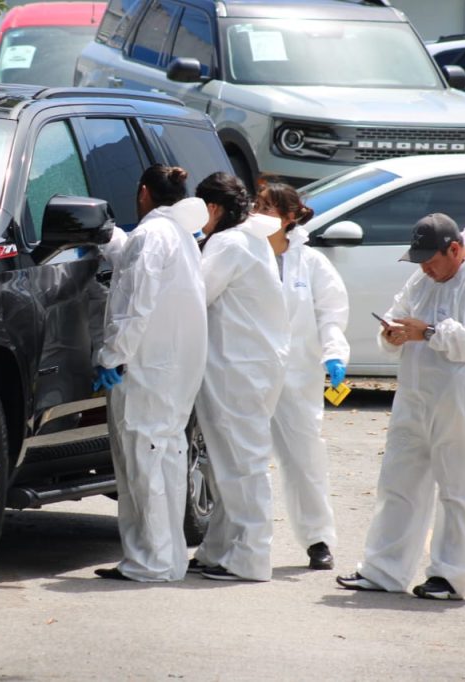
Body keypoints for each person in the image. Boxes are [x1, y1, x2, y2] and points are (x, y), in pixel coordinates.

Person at [337, 213, 465, 600]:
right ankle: (384, 569)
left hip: (459, 402)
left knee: (460, 486)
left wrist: (428, 332)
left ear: (456, 249)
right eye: (421, 262)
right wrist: (392, 334)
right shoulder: (421, 278)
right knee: (399, 482)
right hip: (415, 395)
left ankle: (450, 576)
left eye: (432, 261)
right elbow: (398, 314)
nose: (426, 269)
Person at [93, 164, 209, 582]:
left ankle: (150, 561)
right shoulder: (177, 235)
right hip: (175, 368)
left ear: (143, 192)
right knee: (165, 459)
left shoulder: (151, 235)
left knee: (144, 461)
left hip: (147, 367)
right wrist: (111, 240)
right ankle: (165, 557)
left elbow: (135, 303)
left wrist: (112, 356)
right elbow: (136, 266)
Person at [190, 172, 290, 582]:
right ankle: (219, 550)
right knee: (227, 464)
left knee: (241, 466)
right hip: (248, 367)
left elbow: (197, 292)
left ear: (212, 209)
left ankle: (250, 558)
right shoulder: (249, 238)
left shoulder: (229, 242)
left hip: (239, 369)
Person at [254, 182, 350, 571]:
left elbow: (331, 314)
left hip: (297, 374)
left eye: (269, 207)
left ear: (290, 216)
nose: (258, 213)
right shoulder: (242, 251)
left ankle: (318, 539)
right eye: (256, 205)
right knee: (242, 458)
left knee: (305, 458)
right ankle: (234, 540)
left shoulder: (310, 263)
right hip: (250, 371)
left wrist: (334, 355)